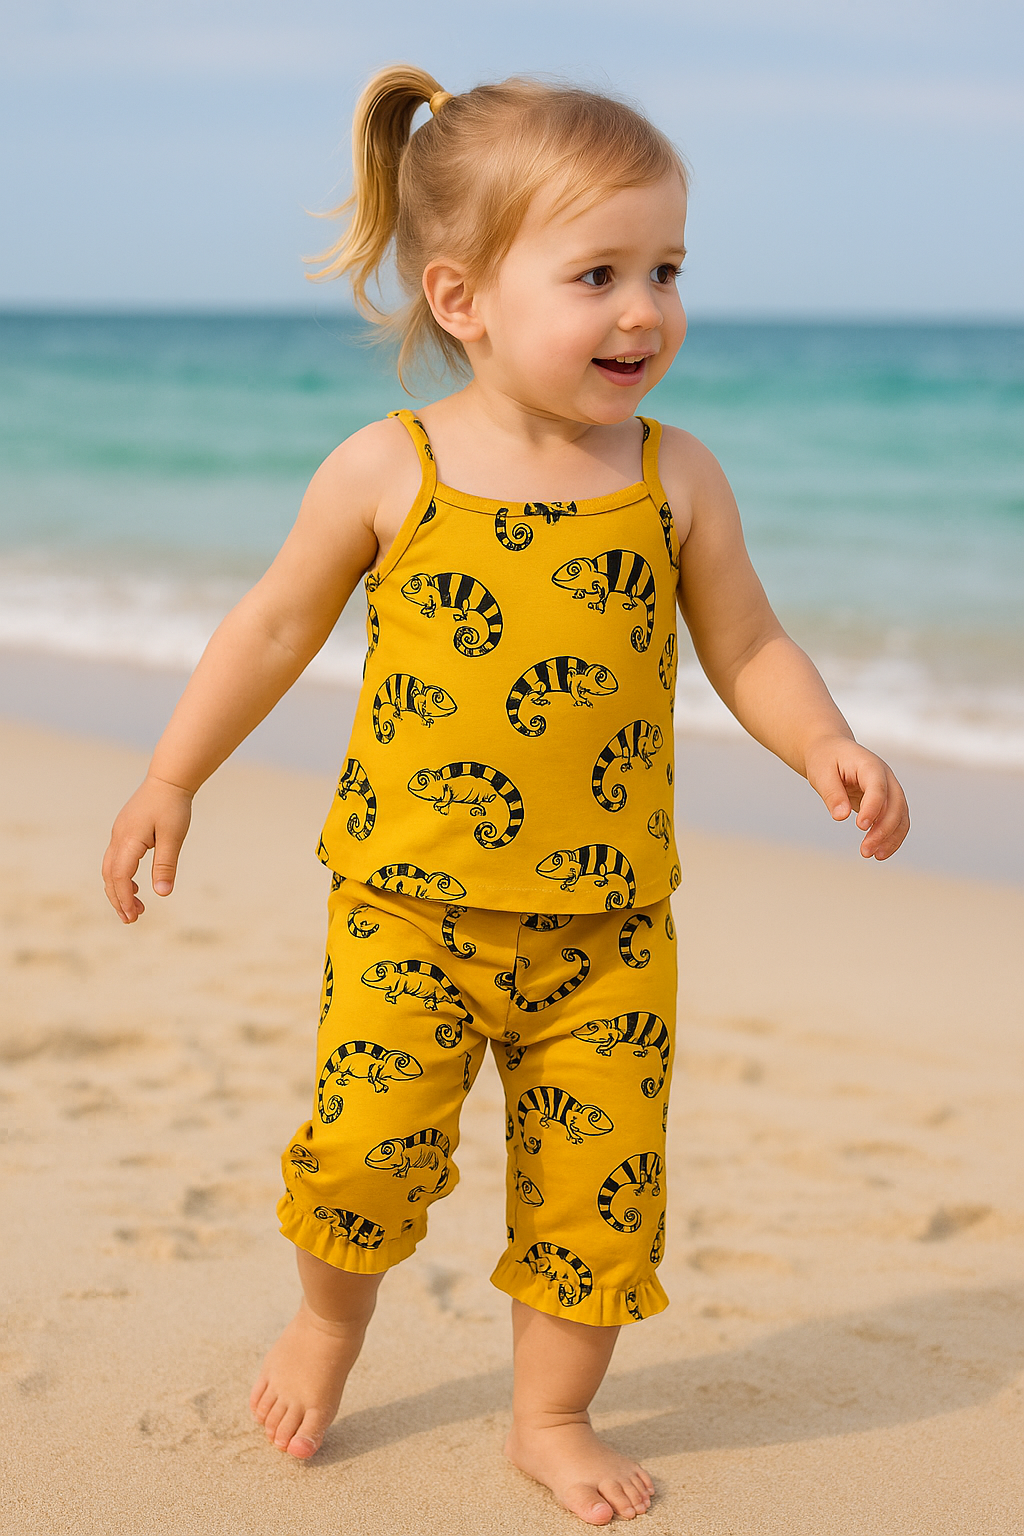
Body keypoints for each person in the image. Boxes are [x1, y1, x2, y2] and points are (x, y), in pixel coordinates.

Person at [102, 65, 910, 1525]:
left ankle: (553, 1413)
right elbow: (272, 627)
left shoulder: (676, 480)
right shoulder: (389, 470)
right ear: (462, 296)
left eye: (666, 269)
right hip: (407, 908)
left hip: (611, 930)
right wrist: (173, 774)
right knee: (362, 1153)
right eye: (597, 273)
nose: (644, 309)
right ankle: (329, 1325)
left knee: (599, 1190)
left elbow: (745, 642)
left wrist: (825, 741)